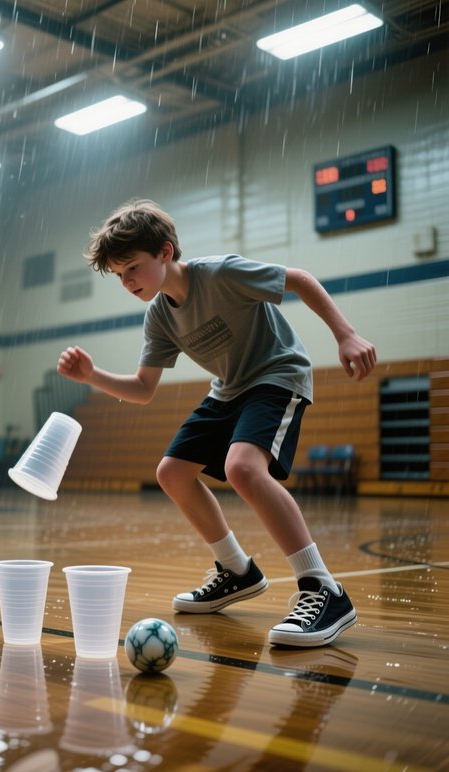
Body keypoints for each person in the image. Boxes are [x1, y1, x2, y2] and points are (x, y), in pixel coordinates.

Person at [57, 199, 377, 648]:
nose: (127, 281)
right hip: (228, 388)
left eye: (132, 268)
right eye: (119, 275)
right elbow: (143, 388)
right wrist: (91, 376)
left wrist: (345, 334)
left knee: (243, 469)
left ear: (165, 252)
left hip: (277, 373)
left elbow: (300, 280)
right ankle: (237, 571)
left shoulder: (220, 274)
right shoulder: (160, 316)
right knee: (171, 473)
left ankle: (323, 588)